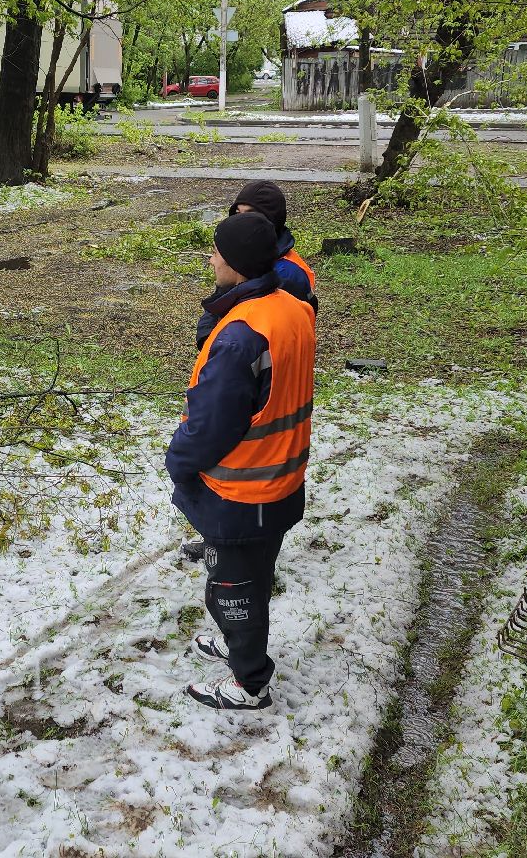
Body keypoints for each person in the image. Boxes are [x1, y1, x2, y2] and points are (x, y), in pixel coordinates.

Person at [166, 213, 316, 710]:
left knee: (234, 592)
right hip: (282, 479)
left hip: (242, 492)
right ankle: (237, 644)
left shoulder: (239, 337)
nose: (210, 259)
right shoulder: (292, 308)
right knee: (252, 574)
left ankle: (249, 680)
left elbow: (210, 426)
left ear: (234, 265)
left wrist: (178, 461)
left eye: (215, 252)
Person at [181, 181, 319, 564]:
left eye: (251, 217)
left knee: (242, 583)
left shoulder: (283, 278)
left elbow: (219, 416)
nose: (242, 223)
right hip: (264, 457)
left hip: (252, 470)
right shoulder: (260, 273)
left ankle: (242, 557)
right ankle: (236, 549)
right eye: (237, 214)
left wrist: (179, 461)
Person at [229, 179, 318, 312]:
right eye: (237, 213)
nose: (241, 221)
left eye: (250, 214)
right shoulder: (244, 254)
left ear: (271, 221)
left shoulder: (284, 274)